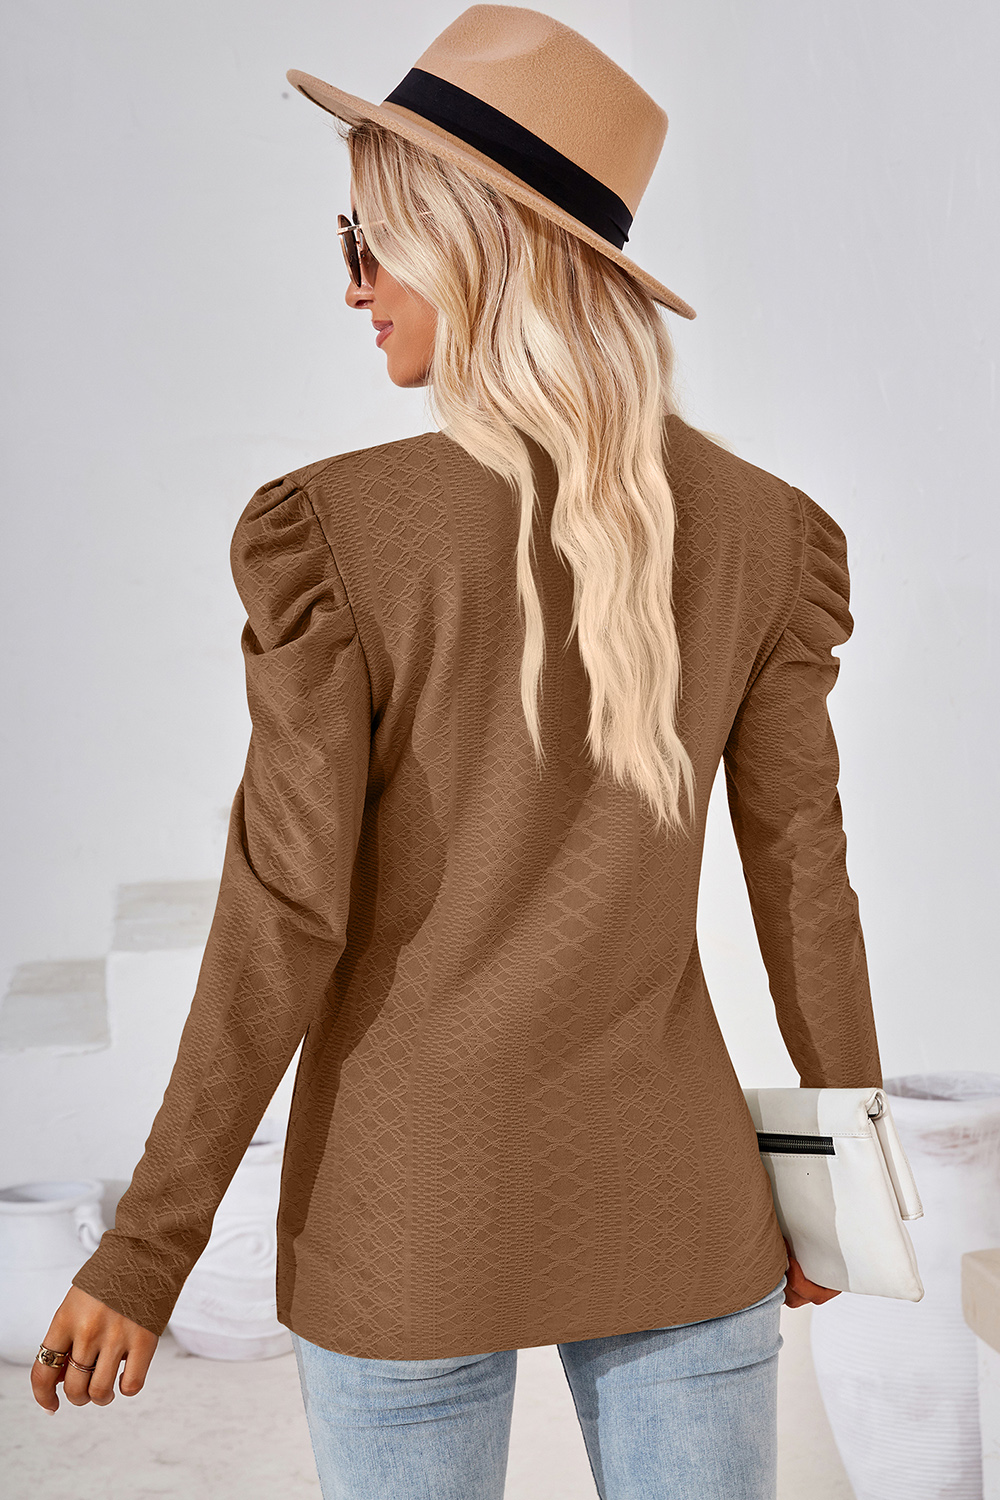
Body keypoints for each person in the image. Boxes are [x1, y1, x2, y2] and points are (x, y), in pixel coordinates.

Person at [31, 8, 882, 1497]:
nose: (352, 285)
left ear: (476, 247)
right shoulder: (767, 535)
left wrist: (148, 1246)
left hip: (402, 1213)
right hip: (678, 1201)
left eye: (369, 242)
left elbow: (283, 913)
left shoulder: (337, 537)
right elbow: (803, 879)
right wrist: (842, 1201)